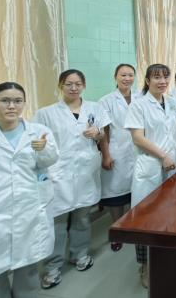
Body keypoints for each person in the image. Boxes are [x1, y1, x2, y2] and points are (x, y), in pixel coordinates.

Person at [0, 82, 58, 298]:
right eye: (5, 101)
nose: (12, 106)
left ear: (23, 104)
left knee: (28, 267)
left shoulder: (38, 132)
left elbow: (50, 161)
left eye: (17, 101)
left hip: (30, 208)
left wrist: (44, 150)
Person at [124, 64, 176, 288]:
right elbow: (138, 138)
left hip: (171, 164)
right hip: (150, 165)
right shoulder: (139, 105)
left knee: (169, 212)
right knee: (145, 217)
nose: (162, 81)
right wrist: (163, 155)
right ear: (148, 80)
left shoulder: (171, 102)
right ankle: (144, 266)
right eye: (156, 77)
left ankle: (165, 257)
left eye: (165, 77)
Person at [34, 69, 111, 289]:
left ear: (84, 86)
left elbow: (103, 135)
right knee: (57, 222)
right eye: (68, 84)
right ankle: (53, 267)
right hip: (58, 174)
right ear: (61, 86)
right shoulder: (45, 113)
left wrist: (98, 134)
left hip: (86, 171)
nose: (74, 88)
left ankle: (80, 255)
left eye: (78, 84)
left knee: (83, 218)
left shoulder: (94, 108)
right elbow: (39, 141)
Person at [98, 64, 141, 253]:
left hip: (138, 149)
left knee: (136, 190)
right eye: (123, 75)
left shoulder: (140, 96)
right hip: (117, 150)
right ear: (115, 76)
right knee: (116, 194)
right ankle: (117, 231)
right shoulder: (106, 101)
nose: (127, 78)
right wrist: (106, 154)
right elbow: (104, 130)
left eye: (130, 75)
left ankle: (132, 226)